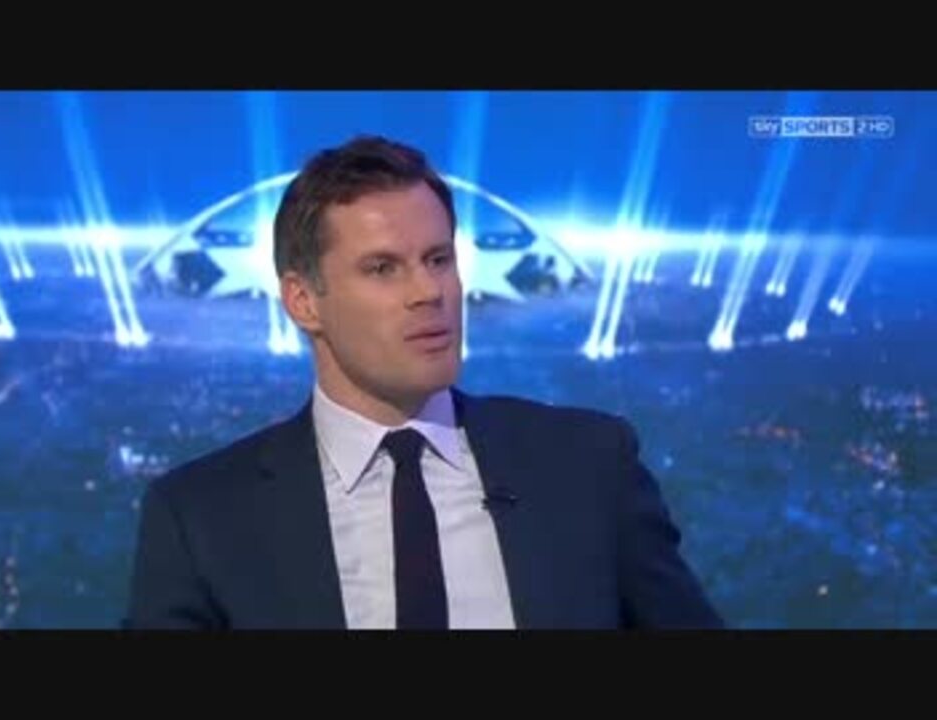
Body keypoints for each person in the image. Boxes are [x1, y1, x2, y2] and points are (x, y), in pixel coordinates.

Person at [123, 134, 724, 630]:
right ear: (303, 302)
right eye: (383, 268)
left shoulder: (588, 466)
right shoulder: (200, 517)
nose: (428, 292)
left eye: (439, 259)